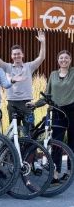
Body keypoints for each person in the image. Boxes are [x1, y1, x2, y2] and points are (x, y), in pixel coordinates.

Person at [27, 50, 74, 183]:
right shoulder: (53, 75)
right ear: (58, 60)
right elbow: (48, 95)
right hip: (57, 111)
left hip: (72, 110)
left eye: (66, 58)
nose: (64, 60)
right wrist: (35, 104)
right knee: (56, 143)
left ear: (70, 60)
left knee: (72, 142)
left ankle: (70, 172)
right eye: (61, 58)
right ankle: (56, 173)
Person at [0, 30, 46, 136]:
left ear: (22, 55)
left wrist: (42, 42)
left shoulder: (29, 66)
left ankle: (30, 152)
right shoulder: (7, 67)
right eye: (14, 54)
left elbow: (41, 58)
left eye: (18, 54)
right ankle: (14, 152)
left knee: (29, 132)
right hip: (12, 104)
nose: (16, 56)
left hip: (27, 104)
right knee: (13, 132)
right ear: (12, 56)